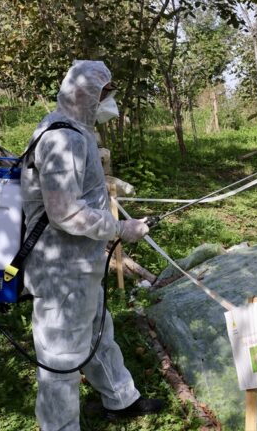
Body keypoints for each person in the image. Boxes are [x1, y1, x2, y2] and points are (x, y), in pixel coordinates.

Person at [21, 60, 162, 430]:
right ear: (87, 95)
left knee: (99, 331)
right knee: (61, 356)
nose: (110, 102)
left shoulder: (77, 132)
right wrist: (120, 228)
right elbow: (65, 212)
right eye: (106, 95)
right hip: (60, 270)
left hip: (81, 262)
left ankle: (120, 398)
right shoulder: (61, 137)